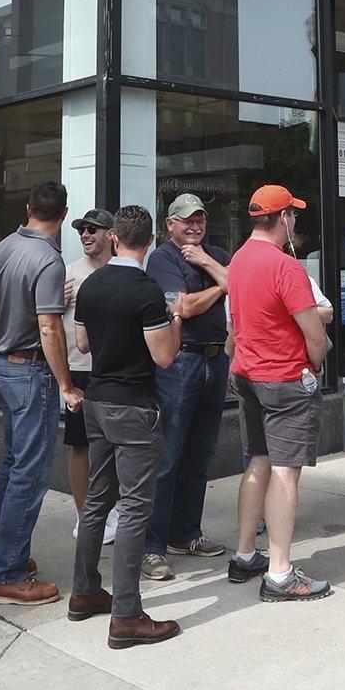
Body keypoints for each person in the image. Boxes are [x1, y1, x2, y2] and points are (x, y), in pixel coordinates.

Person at [68, 205, 185, 648]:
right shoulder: (147, 291)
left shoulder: (92, 283)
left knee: (98, 499)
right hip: (134, 404)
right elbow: (164, 357)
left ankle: (84, 591)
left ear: (115, 237)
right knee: (136, 507)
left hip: (97, 399)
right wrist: (174, 320)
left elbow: (81, 342)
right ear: (150, 240)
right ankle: (127, 614)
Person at [226, 185, 335, 600]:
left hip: (248, 374)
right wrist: (318, 364)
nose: (296, 221)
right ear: (284, 217)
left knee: (258, 462)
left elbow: (234, 328)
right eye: (294, 214)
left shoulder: (237, 261)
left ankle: (244, 554)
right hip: (286, 379)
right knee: (286, 472)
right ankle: (280, 573)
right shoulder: (286, 267)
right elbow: (315, 335)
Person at [0, 180, 73, 606]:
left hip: (1, 363)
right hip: (29, 369)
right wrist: (67, 384)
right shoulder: (49, 260)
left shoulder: (0, 249)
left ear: (28, 206)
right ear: (64, 215)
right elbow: (49, 327)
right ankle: (7, 573)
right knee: (29, 474)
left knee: (12, 465)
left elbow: (3, 304)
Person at [142, 193, 233, 579]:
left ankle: (187, 533)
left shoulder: (215, 253)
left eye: (200, 220)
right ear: (170, 225)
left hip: (216, 359)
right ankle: (152, 546)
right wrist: (221, 286)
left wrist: (210, 265)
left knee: (200, 455)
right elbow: (184, 308)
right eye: (186, 221)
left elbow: (242, 286)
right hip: (180, 363)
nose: (194, 227)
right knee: (168, 458)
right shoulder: (163, 258)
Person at [62, 208, 121, 544]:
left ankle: (110, 508)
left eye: (93, 229)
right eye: (82, 229)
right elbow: (47, 322)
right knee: (81, 445)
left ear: (110, 235)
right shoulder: (69, 275)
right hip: (81, 373)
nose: (85, 235)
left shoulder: (122, 272)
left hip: (116, 372)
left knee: (116, 445)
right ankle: (85, 515)